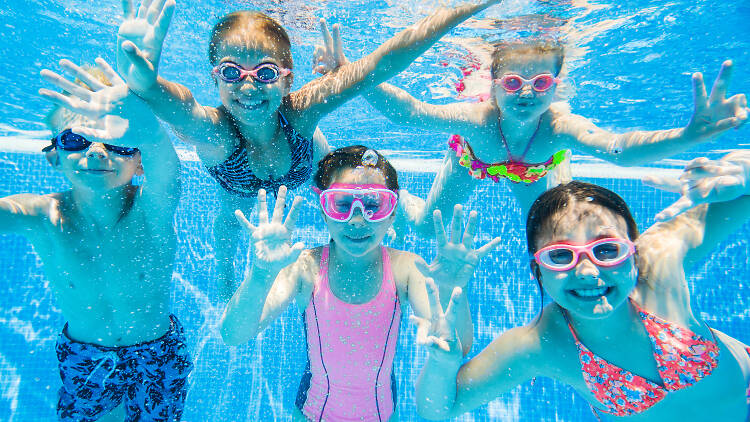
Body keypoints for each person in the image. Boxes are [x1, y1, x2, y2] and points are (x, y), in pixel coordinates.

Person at [115, 0, 502, 297]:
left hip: (307, 159)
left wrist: (464, 8)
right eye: (232, 72)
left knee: (350, 187)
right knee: (231, 218)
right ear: (215, 78)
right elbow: (179, 106)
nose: (248, 87)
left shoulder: (300, 112)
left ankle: (391, 216)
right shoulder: (216, 132)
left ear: (287, 80)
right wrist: (146, 83)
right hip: (239, 184)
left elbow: (381, 63)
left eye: (265, 73)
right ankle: (223, 269)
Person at [314, 32, 750, 235]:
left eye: (540, 83)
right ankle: (403, 201)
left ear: (555, 86)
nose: (526, 93)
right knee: (428, 228)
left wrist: (688, 136)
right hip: (474, 161)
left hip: (538, 170)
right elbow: (411, 113)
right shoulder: (478, 120)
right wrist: (350, 73)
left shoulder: (558, 126)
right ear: (493, 85)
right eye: (512, 83)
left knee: (555, 230)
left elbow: (617, 149)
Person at [411, 162, 750, 420]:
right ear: (538, 271)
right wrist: (442, 364)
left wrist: (743, 172)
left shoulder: (661, 262)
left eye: (606, 250)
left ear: (633, 250)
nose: (588, 272)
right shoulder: (540, 344)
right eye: (560, 256)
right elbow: (438, 410)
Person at [220, 146, 501, 421]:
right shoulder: (304, 267)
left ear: (392, 213)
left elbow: (457, 344)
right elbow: (233, 334)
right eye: (342, 204)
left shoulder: (406, 269)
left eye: (373, 205)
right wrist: (260, 275)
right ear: (323, 211)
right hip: (311, 415)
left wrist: (453, 289)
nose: (357, 219)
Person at [8, 58, 192, 421]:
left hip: (157, 351)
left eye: (118, 141)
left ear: (140, 162)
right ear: (54, 156)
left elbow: (167, 168)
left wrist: (143, 120)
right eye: (77, 139)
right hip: (85, 356)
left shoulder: (151, 210)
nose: (96, 151)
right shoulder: (41, 216)